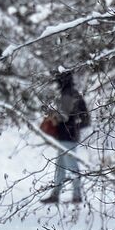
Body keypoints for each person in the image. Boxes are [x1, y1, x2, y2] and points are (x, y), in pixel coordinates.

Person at [40, 69, 91, 204]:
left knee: (71, 167)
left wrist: (51, 114)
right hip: (69, 135)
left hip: (67, 136)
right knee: (61, 167)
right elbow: (84, 119)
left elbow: (63, 116)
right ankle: (56, 195)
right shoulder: (74, 94)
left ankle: (76, 196)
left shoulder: (67, 94)